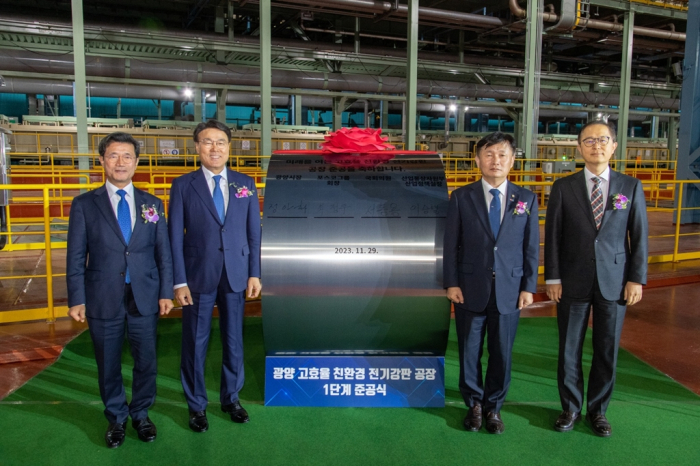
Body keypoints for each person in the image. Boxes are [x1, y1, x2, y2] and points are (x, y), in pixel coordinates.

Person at [66, 132, 174, 448]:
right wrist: (77, 298)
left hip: (144, 295)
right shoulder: (85, 204)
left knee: (147, 360)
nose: (120, 162)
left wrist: (165, 291)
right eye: (113, 155)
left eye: (127, 156)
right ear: (102, 160)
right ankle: (116, 417)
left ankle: (140, 413)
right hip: (102, 296)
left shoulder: (152, 204)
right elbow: (75, 255)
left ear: (137, 162)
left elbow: (162, 252)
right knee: (108, 362)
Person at [545, 121, 648, 437]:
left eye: (603, 140)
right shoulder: (564, 187)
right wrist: (552, 278)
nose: (596, 146)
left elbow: (639, 236)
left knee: (607, 348)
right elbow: (553, 237)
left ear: (614, 146)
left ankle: (598, 411)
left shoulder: (630, 187)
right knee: (569, 348)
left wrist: (636, 279)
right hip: (572, 279)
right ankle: (570, 408)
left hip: (615, 282)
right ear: (579, 148)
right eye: (589, 141)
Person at [168, 119, 261, 433]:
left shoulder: (245, 183)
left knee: (234, 340)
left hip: (236, 275)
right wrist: (179, 280)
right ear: (197, 147)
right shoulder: (182, 185)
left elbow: (253, 235)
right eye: (207, 142)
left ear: (229, 147)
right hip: (197, 276)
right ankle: (197, 406)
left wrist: (254, 274)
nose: (214, 148)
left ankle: (231, 398)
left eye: (220, 142)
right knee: (195, 342)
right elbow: (174, 238)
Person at [443, 132, 540, 434]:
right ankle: (473, 403)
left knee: (501, 352)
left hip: (510, 290)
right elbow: (451, 244)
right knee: (470, 350)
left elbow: (531, 247)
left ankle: (494, 407)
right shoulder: (461, 196)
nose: (495, 160)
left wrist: (528, 286)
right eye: (488, 154)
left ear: (512, 160)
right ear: (477, 160)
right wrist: (452, 282)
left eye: (501, 154)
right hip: (470, 287)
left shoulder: (526, 198)